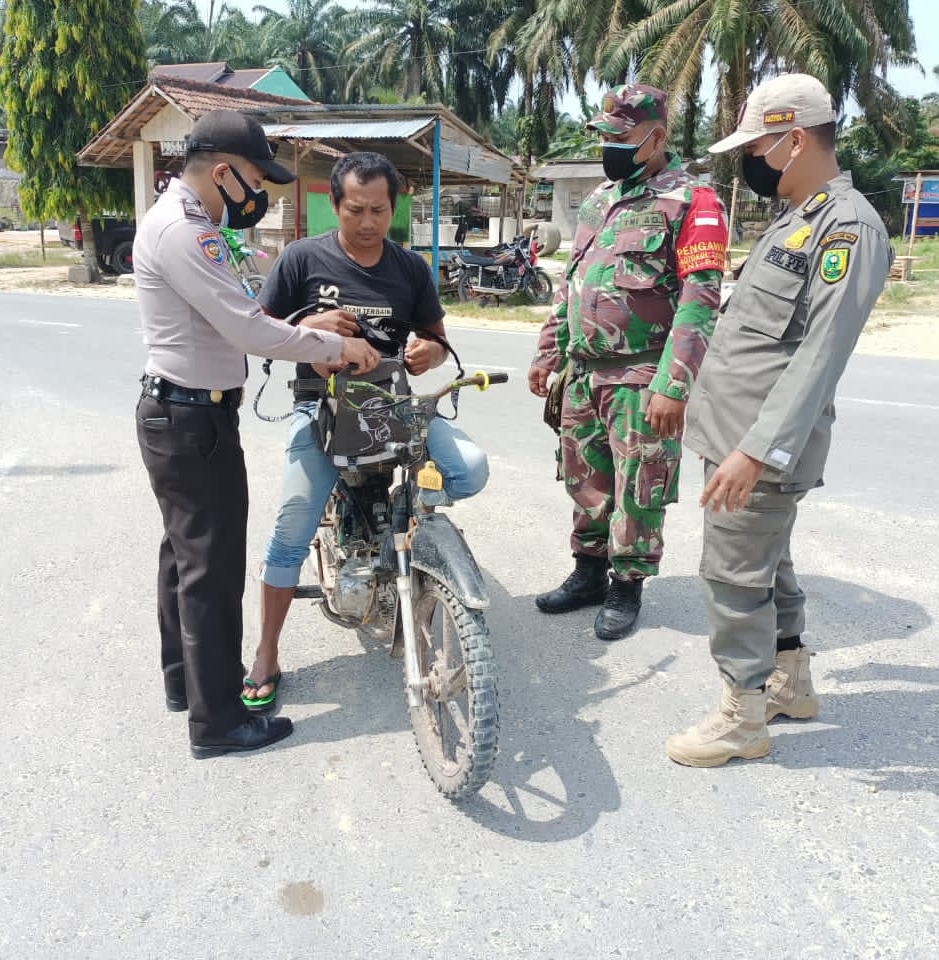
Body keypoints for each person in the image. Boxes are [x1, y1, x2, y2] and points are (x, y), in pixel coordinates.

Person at [133, 110, 380, 759]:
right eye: (256, 179)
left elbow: (236, 317)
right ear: (223, 172)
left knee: (184, 559)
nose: (260, 192)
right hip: (192, 420)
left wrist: (300, 327)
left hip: (180, 414)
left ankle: (187, 685)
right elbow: (248, 330)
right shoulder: (187, 233)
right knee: (211, 572)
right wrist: (334, 347)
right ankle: (219, 723)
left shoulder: (181, 222)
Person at [665, 74, 893, 767]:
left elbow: (821, 354)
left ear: (794, 141)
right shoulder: (796, 217)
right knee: (770, 563)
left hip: (758, 448)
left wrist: (757, 449)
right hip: (736, 434)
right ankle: (789, 683)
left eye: (754, 149)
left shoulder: (846, 227)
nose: (750, 163)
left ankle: (742, 716)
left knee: (734, 579)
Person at [243, 151, 489, 709]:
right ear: (335, 205)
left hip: (393, 404)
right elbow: (258, 331)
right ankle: (266, 653)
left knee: (469, 470)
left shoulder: (410, 269)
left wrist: (430, 351)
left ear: (392, 208)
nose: (368, 221)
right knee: (290, 530)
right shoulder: (302, 259)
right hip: (321, 406)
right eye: (356, 209)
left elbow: (438, 338)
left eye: (379, 210)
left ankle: (397, 525)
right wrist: (305, 325)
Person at [527, 84, 728, 641]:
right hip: (583, 371)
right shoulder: (599, 199)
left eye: (620, 137)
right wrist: (548, 351)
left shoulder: (693, 201)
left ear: (656, 138)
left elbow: (700, 299)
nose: (608, 148)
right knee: (582, 475)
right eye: (604, 137)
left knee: (640, 483)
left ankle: (627, 583)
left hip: (641, 374)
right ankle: (589, 572)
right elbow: (572, 285)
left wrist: (674, 384)